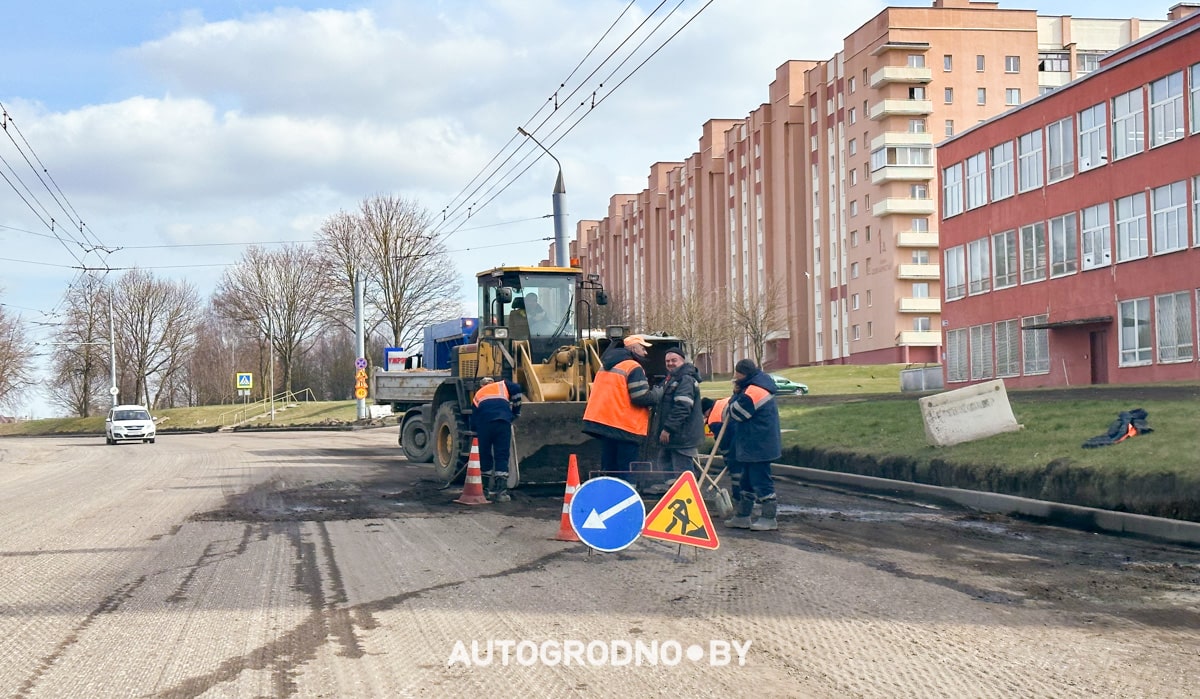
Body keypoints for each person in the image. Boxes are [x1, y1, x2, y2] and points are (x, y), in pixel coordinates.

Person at [582, 334, 662, 474]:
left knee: (610, 468)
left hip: (605, 424)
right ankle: (627, 494)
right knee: (627, 470)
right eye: (643, 348)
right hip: (626, 427)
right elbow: (640, 397)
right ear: (634, 348)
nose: (645, 352)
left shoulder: (606, 366)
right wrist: (657, 393)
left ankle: (609, 493)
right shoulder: (633, 366)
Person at [723, 359, 782, 531]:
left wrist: (735, 395)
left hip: (759, 445)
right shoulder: (754, 387)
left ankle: (769, 518)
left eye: (736, 375)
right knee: (746, 481)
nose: (735, 378)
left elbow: (736, 413)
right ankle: (743, 516)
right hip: (754, 443)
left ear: (743, 374)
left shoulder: (755, 391)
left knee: (761, 481)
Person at [652, 347, 704, 489]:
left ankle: (688, 498)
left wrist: (668, 429)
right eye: (667, 361)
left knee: (683, 470)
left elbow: (682, 407)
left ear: (682, 360)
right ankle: (674, 493)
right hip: (675, 437)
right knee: (665, 462)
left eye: (674, 360)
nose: (670, 363)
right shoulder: (671, 379)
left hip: (682, 436)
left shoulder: (685, 379)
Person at [471, 376, 524, 502]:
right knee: (502, 455)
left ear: (481, 385)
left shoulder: (478, 395)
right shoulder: (502, 385)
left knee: (485, 455)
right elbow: (517, 388)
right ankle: (501, 492)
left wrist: (475, 434)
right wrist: (516, 411)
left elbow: (473, 418)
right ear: (492, 382)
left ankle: (484, 491)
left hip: (485, 425)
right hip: (503, 422)